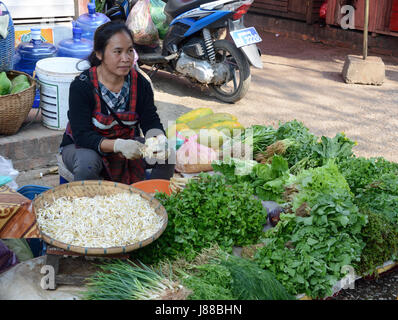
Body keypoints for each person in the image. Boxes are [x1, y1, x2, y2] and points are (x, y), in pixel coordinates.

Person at [59, 21, 174, 184]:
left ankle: (150, 201)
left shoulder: (141, 84)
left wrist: (158, 138)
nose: (126, 59)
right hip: (85, 147)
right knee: (88, 164)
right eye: (117, 52)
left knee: (166, 156)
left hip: (127, 145)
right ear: (99, 54)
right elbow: (82, 135)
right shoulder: (82, 86)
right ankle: (88, 205)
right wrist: (118, 145)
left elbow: (150, 120)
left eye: (130, 51)